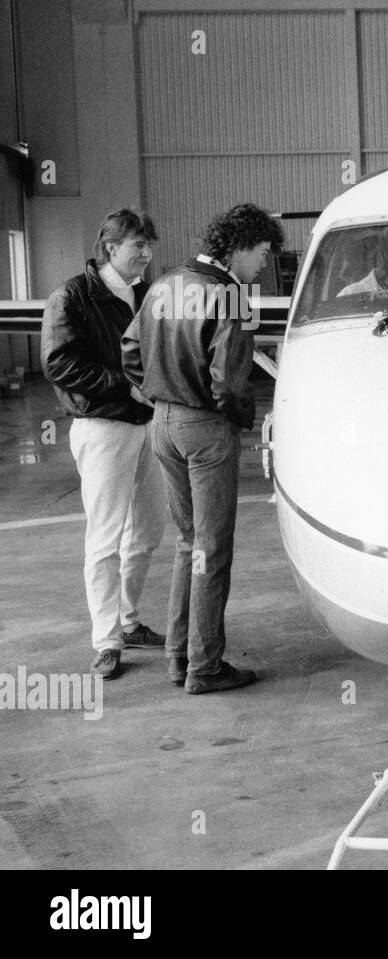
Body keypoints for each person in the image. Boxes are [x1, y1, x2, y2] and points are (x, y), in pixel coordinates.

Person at [121, 203, 284, 694]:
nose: (263, 263)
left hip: (162, 425)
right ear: (237, 247)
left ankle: (179, 655)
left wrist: (156, 392)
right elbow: (230, 382)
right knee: (212, 550)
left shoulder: (164, 285)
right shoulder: (231, 296)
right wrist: (239, 418)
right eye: (261, 252)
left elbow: (130, 351)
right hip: (205, 429)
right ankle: (206, 666)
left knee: (189, 542)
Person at [41, 208, 168, 680]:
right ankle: (106, 640)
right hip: (103, 427)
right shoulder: (71, 296)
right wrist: (123, 386)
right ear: (111, 248)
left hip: (145, 426)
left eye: (148, 246)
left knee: (150, 529)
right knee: (105, 537)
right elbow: (59, 363)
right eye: (139, 246)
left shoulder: (145, 294)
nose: (147, 255)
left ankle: (128, 620)